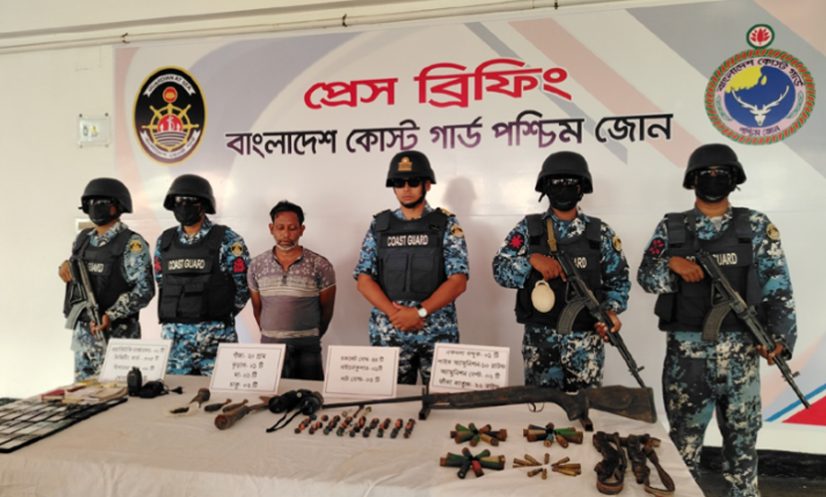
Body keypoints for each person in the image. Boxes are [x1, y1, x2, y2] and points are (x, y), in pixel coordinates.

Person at [637, 143, 797, 497]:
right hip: (686, 359)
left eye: (721, 174)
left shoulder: (755, 225)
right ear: (693, 180)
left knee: (743, 447)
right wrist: (672, 265)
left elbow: (778, 287)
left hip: (742, 355)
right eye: (706, 174)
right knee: (683, 446)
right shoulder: (672, 227)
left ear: (733, 179)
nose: (713, 179)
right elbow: (646, 276)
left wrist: (780, 339)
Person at [492, 151, 630, 391]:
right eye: (556, 182)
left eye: (570, 182)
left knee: (586, 411)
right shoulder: (529, 229)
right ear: (545, 187)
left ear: (582, 187)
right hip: (540, 344)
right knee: (541, 409)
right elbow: (499, 270)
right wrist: (531, 260)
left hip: (586, 345)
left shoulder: (600, 234)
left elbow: (619, 281)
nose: (563, 188)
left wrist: (610, 313)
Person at [354, 150, 469, 385]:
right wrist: (396, 314)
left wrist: (419, 313)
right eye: (399, 183)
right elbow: (364, 279)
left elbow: (458, 281)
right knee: (390, 402)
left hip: (436, 331)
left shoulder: (446, 224)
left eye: (413, 182)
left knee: (441, 400)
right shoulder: (380, 225)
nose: (406, 189)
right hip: (389, 333)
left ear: (427, 185)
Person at [154, 174, 251, 376]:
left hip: (216, 340)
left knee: (221, 393)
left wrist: (218, 313)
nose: (184, 206)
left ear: (204, 205)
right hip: (175, 344)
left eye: (191, 201)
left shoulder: (228, 240)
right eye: (179, 201)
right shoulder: (165, 241)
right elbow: (162, 282)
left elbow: (243, 286)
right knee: (173, 394)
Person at [59, 178, 155, 381]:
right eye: (91, 202)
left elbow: (144, 291)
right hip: (84, 337)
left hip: (117, 336)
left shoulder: (132, 244)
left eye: (102, 203)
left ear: (117, 206)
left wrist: (111, 314)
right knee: (82, 393)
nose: (96, 207)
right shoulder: (83, 239)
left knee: (118, 393)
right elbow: (77, 270)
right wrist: (65, 267)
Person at [248, 200, 336, 380]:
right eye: (280, 227)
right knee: (271, 395)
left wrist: (310, 336)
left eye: (292, 228)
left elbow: (326, 310)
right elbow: (257, 309)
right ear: (271, 228)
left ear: (302, 229)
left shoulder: (320, 265)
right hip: (270, 349)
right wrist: (272, 335)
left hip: (307, 348)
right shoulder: (256, 265)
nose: (286, 234)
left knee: (309, 393)